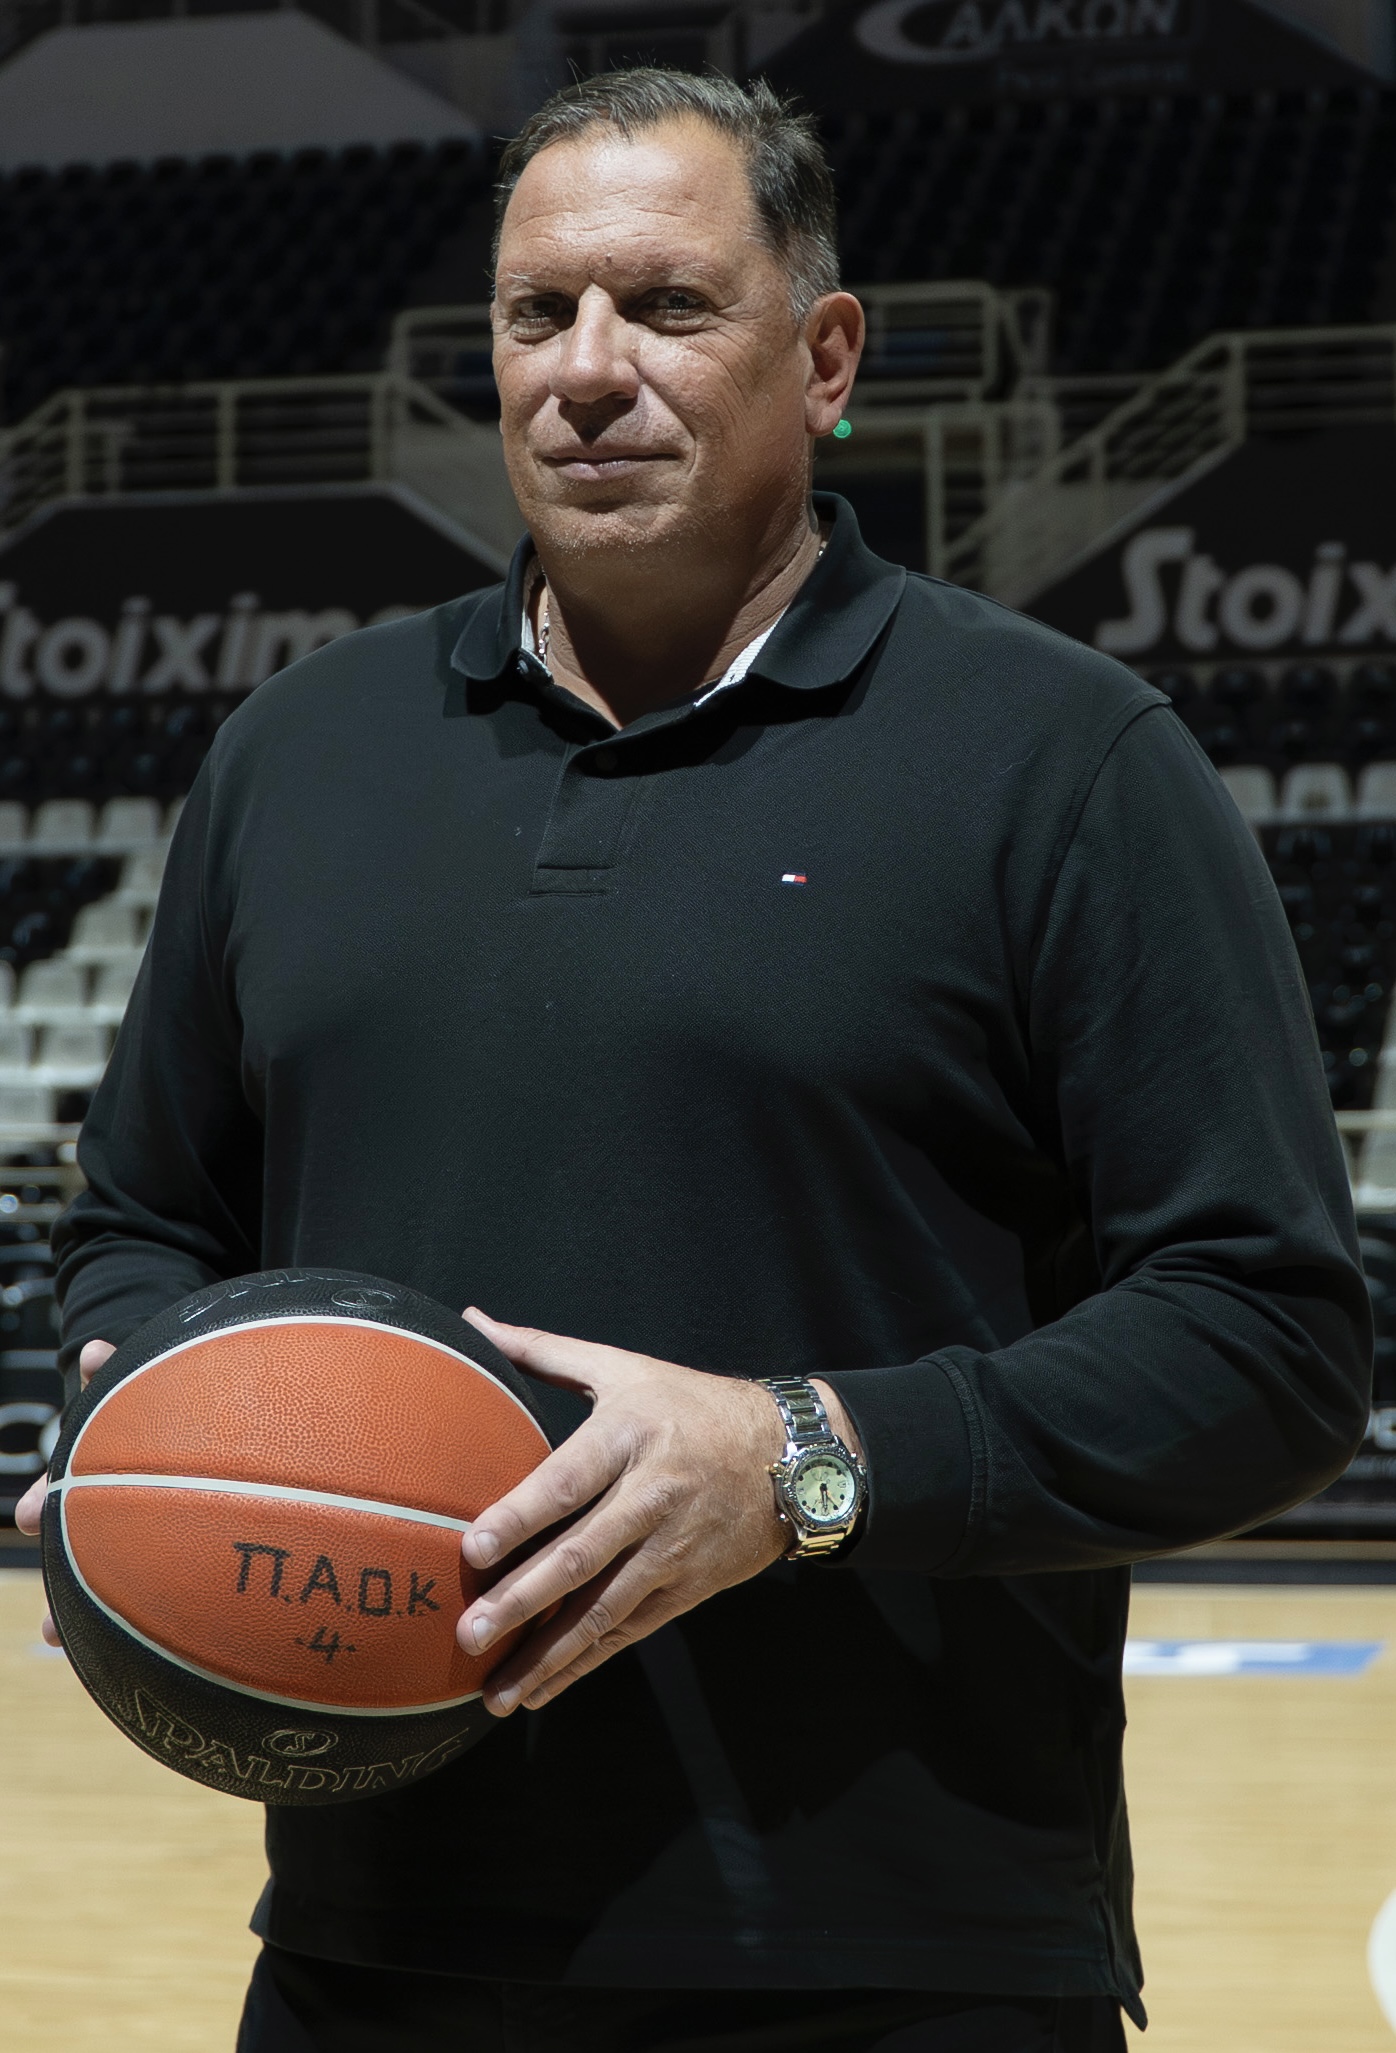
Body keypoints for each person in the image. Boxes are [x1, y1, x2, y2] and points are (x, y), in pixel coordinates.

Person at [18, 67, 1370, 2053]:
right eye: (535, 311)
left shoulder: (1064, 761)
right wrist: (148, 1411)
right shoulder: (297, 754)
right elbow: (141, 1223)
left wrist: (799, 1457)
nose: (586, 369)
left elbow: (1268, 1338)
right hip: (372, 1937)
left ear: (825, 360)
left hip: (895, 1962)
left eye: (665, 305)